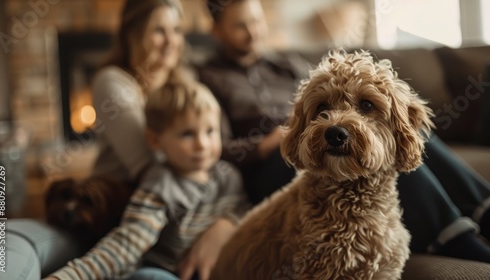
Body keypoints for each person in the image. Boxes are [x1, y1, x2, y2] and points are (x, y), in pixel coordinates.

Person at [198, 0, 490, 264]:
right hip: (273, 161)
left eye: (256, 21)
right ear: (217, 31)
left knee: (402, 135)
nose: (252, 32)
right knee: (383, 159)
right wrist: (264, 143)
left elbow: (336, 97)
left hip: (320, 133)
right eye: (240, 25)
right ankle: (456, 239)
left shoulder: (287, 65)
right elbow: (212, 147)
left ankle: (483, 210)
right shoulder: (210, 78)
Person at [0, 1, 238, 279]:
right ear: (133, 33)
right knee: (4, 240)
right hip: (110, 214)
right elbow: (152, 165)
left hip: (159, 228)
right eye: (158, 30)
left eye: (177, 30)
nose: (171, 41)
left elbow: (219, 153)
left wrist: (227, 220)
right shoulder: (113, 82)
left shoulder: (189, 84)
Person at [45, 80, 250, 280]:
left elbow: (245, 212)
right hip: (165, 272)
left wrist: (229, 222)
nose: (202, 144)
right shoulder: (160, 186)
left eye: (210, 131)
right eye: (187, 134)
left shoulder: (229, 176)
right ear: (154, 140)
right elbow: (127, 243)